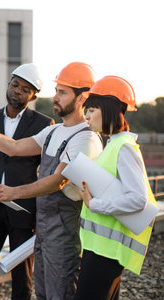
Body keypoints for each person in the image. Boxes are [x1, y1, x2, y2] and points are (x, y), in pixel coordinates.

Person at [0, 62, 103, 300]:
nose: (55, 97)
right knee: (44, 292)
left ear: (82, 98)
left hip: (58, 227)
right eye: (56, 91)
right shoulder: (53, 131)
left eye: (62, 92)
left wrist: (13, 193)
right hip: (43, 225)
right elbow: (14, 147)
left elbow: (57, 181)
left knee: (58, 290)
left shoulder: (85, 138)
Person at [0, 64, 54, 300]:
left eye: (25, 89)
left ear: (33, 96)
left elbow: (47, 171)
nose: (17, 91)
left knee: (22, 279)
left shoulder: (45, 125)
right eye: (15, 85)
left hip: (24, 210)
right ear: (8, 85)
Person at [75, 76, 157, 300]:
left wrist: (94, 204)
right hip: (100, 249)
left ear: (109, 109)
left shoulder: (124, 147)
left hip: (107, 252)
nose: (86, 116)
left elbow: (138, 199)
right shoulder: (113, 144)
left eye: (91, 110)